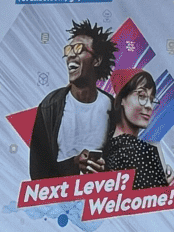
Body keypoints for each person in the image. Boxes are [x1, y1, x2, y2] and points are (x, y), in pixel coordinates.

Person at [29, 19, 118, 179]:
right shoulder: (50, 106)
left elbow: (121, 161)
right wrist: (74, 165)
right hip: (60, 198)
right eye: (69, 49)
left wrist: (105, 168)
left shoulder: (112, 107)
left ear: (97, 60)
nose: (70, 55)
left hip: (101, 198)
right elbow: (39, 170)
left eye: (78, 49)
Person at [103, 71, 174, 190]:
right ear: (121, 98)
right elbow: (156, 200)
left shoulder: (107, 141)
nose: (149, 106)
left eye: (151, 100)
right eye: (141, 96)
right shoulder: (140, 151)